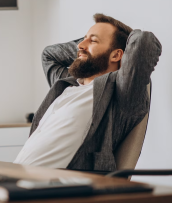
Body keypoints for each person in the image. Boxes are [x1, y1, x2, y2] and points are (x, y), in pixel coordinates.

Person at [14, 13, 162, 171]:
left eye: (93, 40)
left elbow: (143, 42)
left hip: (58, 188)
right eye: (82, 39)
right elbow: (49, 55)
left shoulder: (120, 92)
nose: (80, 45)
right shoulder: (67, 84)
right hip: (15, 177)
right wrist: (88, 45)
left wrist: (118, 39)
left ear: (117, 55)